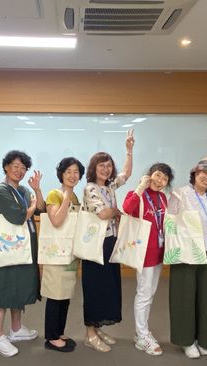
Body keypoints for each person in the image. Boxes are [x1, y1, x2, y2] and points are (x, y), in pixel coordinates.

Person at [168, 156, 207, 358]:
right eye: (204, 173)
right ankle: (186, 340)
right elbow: (170, 223)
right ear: (195, 173)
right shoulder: (179, 194)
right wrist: (174, 251)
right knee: (184, 296)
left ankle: (205, 339)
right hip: (185, 252)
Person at [82, 129, 134, 352]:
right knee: (94, 289)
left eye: (108, 165)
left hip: (111, 242)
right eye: (101, 165)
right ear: (93, 168)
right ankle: (89, 333)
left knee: (109, 288)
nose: (106, 168)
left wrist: (129, 151)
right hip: (96, 245)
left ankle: (98, 326)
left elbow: (126, 173)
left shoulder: (110, 186)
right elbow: (103, 214)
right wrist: (116, 211)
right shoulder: (90, 188)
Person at [0, 150, 45, 357]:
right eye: (15, 166)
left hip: (23, 247)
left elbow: (40, 208)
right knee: (3, 290)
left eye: (23, 168)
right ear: (6, 167)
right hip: (8, 249)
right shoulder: (2, 190)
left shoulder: (22, 189)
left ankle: (16, 329)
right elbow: (18, 217)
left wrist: (36, 190)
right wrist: (30, 207)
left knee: (18, 287)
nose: (19, 171)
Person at [122, 162, 173, 356]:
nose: (160, 181)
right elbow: (127, 209)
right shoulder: (138, 194)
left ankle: (142, 332)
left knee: (150, 293)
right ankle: (141, 335)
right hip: (143, 253)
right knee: (143, 294)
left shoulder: (162, 197)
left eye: (165, 179)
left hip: (158, 252)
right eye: (158, 175)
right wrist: (140, 187)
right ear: (150, 174)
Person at [41, 157, 85, 352]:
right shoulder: (54, 194)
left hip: (69, 254)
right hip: (56, 253)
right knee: (55, 295)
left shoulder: (76, 197)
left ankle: (59, 331)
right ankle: (51, 337)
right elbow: (57, 220)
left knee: (65, 295)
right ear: (61, 174)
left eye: (76, 172)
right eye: (68, 171)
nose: (72, 175)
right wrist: (67, 196)